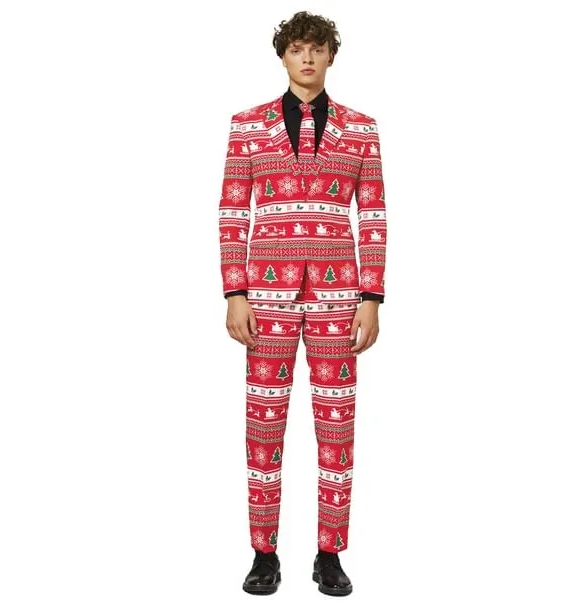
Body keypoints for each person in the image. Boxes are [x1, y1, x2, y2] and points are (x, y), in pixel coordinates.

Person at [217, 10, 387, 597]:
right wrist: (235, 292)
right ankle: (263, 553)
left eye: (316, 49)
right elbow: (232, 211)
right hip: (265, 298)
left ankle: (329, 553)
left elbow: (374, 215)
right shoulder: (247, 126)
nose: (307, 58)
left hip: (340, 297)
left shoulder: (361, 129)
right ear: (283, 56)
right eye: (297, 49)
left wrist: (372, 296)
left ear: (331, 56)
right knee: (262, 423)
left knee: (337, 426)